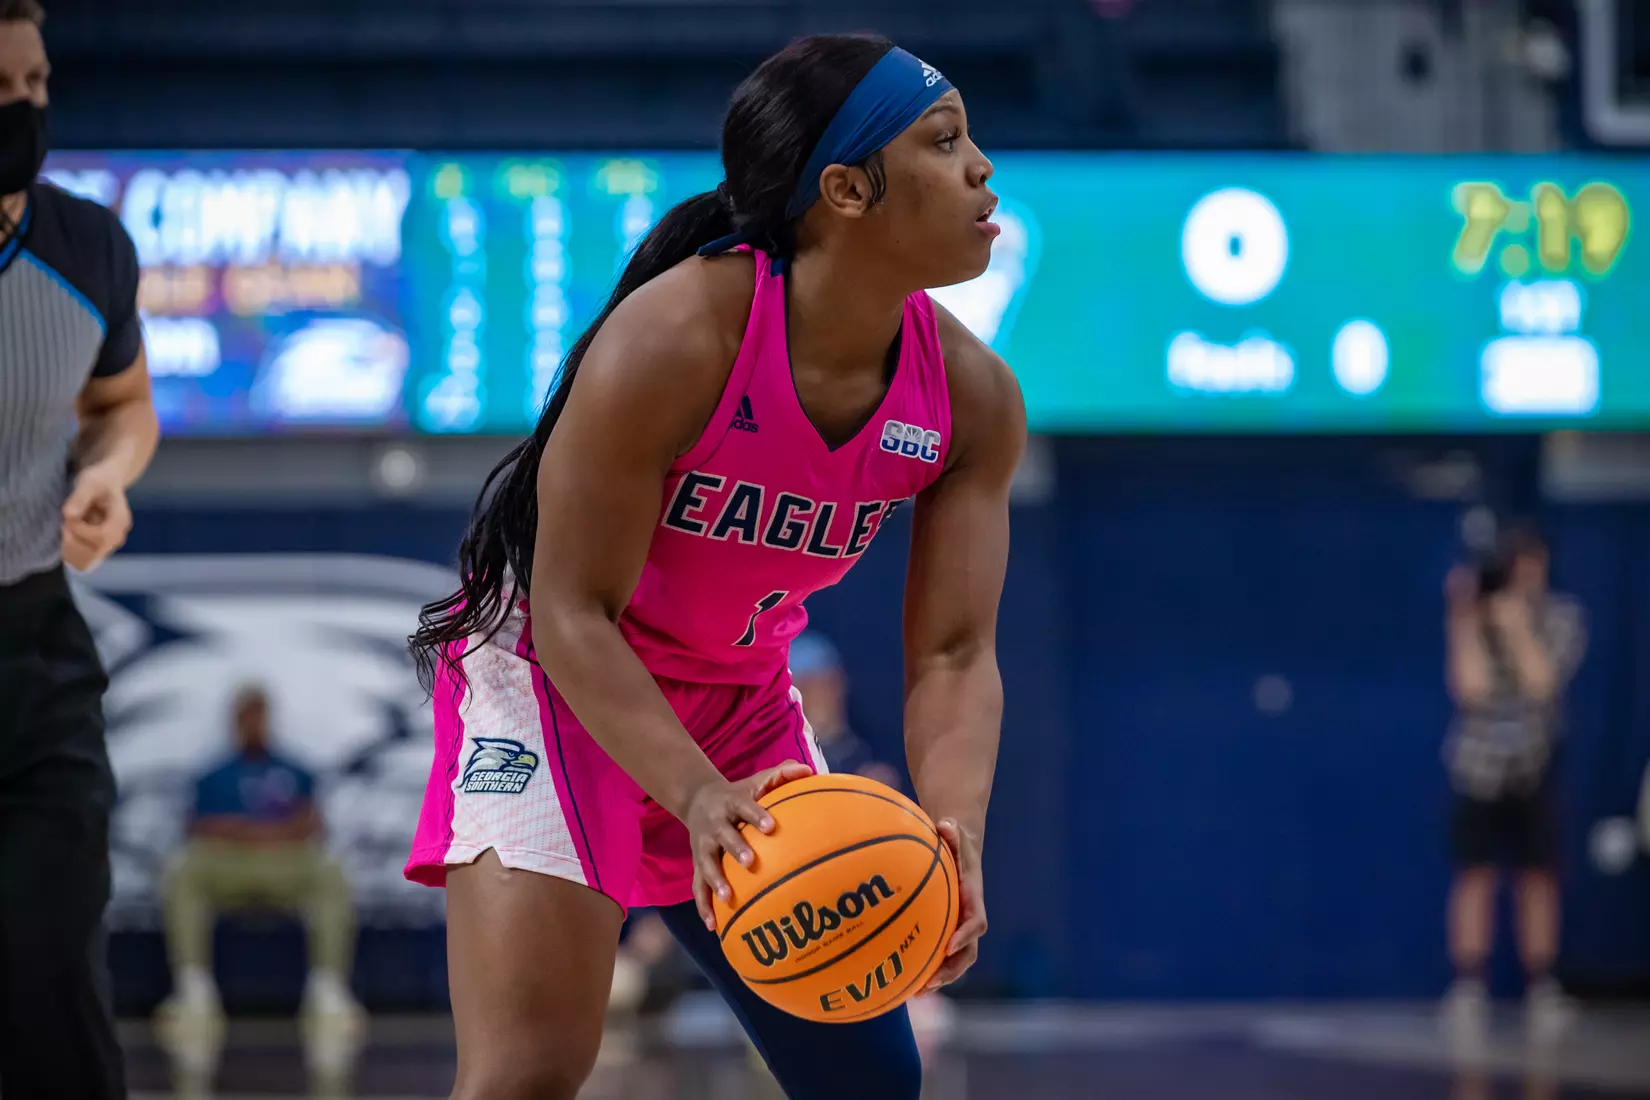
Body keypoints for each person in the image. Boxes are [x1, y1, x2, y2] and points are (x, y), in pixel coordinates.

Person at [406, 33, 1023, 1100]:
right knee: (528, 1069)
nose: (982, 167)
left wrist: (953, 822)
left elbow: (957, 649)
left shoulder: (970, 396)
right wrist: (693, 794)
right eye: (944, 140)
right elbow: (573, 607)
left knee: (870, 1078)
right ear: (846, 189)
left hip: (737, 698)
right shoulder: (676, 338)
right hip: (554, 678)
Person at [0, 2, 159, 1096]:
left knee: (56, 970)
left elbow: (124, 405)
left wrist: (103, 476)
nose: (24, 112)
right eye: (0, 91)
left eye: (36, 86)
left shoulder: (88, 244)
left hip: (35, 646)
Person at [1441, 525, 1586, 1039]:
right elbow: (1471, 689)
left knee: (1538, 875)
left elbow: (1541, 682)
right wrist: (1465, 618)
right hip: (1477, 767)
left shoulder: (1562, 617)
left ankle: (1540, 981)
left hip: (1535, 764)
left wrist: (1516, 624)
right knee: (1475, 874)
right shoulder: (1473, 616)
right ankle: (1468, 982)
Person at [157, 685, 362, 1037]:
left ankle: (328, 989)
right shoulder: (214, 775)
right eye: (245, 715)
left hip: (284, 865)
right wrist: (263, 831)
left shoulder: (294, 770)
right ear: (234, 721)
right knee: (183, 871)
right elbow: (199, 826)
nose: (253, 722)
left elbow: (312, 823)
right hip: (230, 867)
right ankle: (193, 989)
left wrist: (246, 830)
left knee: (330, 872)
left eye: (259, 714)